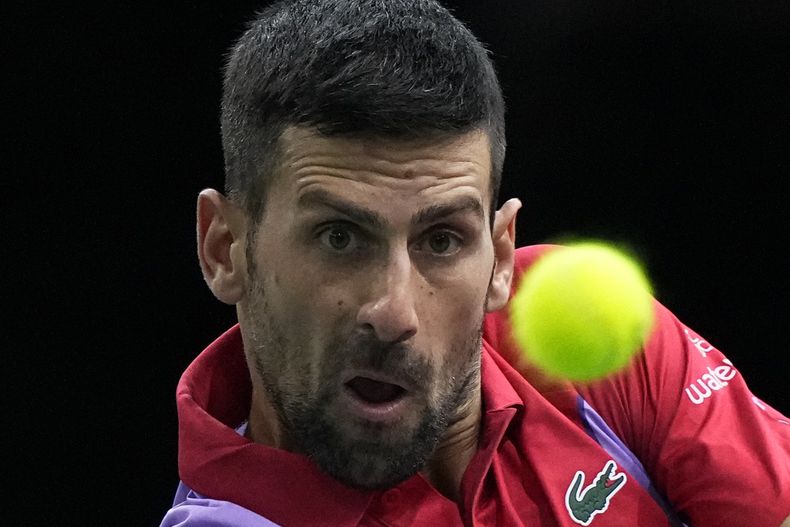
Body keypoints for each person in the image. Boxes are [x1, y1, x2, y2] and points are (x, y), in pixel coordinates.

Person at [160, 1, 790, 525]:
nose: (393, 312)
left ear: (500, 258)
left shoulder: (591, 331)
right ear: (225, 250)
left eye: (441, 240)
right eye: (339, 238)